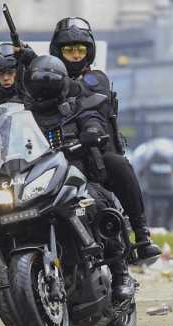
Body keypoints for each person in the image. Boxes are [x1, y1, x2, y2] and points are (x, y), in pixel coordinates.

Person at [16, 55, 149, 301]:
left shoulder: (78, 104)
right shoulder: (25, 115)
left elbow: (93, 119)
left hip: (78, 176)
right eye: (38, 86)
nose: (44, 92)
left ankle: (121, 273)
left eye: (50, 85)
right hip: (40, 179)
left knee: (97, 206)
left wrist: (91, 132)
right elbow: (3, 131)